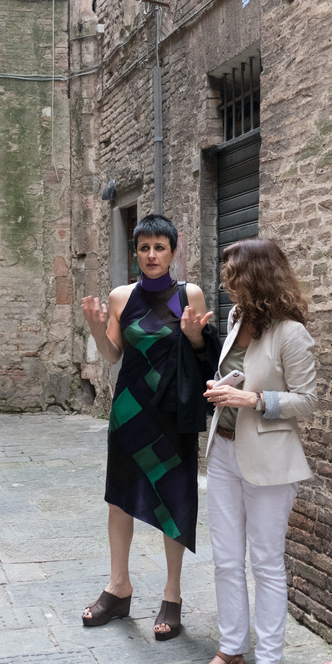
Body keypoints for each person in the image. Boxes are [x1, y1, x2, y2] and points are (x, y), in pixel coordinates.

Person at [187, 238, 317, 664]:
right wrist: (224, 386)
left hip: (269, 461)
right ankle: (230, 653)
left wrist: (252, 398)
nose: (225, 280)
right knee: (225, 560)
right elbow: (240, 373)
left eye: (232, 273)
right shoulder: (236, 316)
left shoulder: (291, 332)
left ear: (257, 275)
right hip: (223, 452)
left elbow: (308, 400)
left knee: (265, 562)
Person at [81, 214, 217, 640]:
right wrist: (96, 329)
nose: (152, 255)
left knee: (175, 496)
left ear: (173, 252)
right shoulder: (120, 297)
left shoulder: (188, 293)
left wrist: (195, 336)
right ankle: (118, 587)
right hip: (129, 411)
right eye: (144, 248)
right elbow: (111, 356)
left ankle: (172, 596)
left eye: (160, 247)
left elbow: (201, 351)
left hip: (172, 412)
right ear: (136, 253)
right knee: (119, 499)